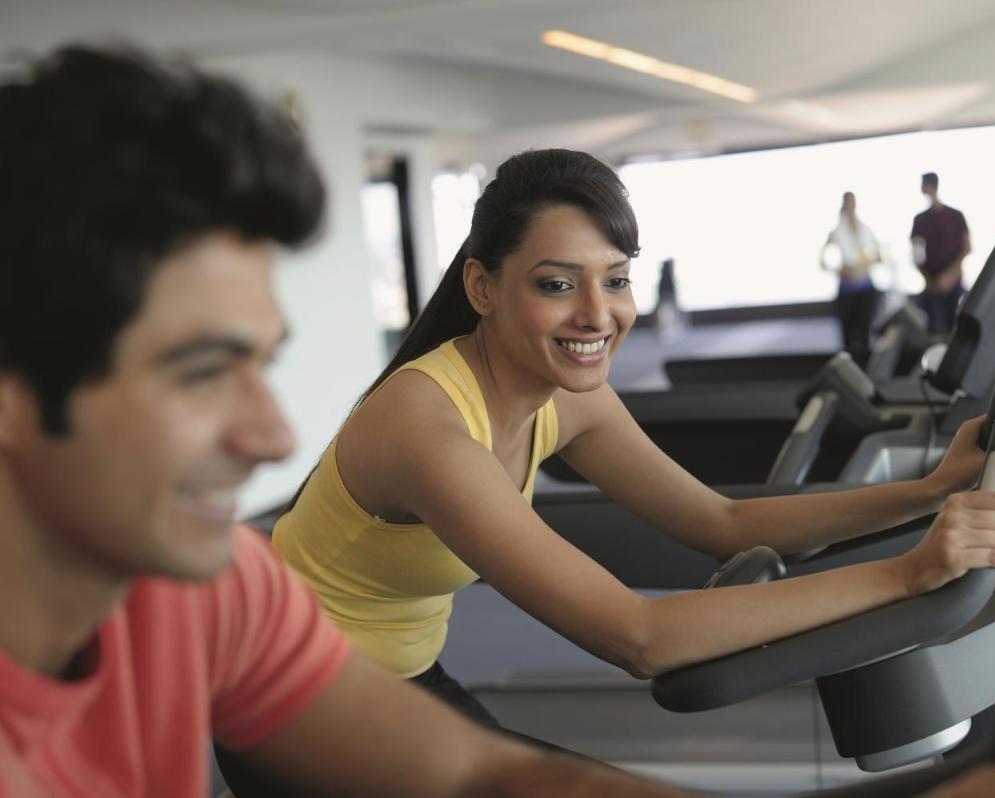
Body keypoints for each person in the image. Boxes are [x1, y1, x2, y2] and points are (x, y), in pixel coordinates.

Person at [0, 44, 697, 798]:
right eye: (201, 373)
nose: (275, 439)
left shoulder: (216, 586)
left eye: (261, 366)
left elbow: (479, 773)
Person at [274, 148, 995, 739]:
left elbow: (720, 524)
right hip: (296, 700)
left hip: (397, 676)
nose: (598, 315)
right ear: (482, 288)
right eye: (556, 285)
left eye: (617, 279)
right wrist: (910, 574)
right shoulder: (425, 427)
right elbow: (641, 637)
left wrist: (932, 489)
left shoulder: (568, 402)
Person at [822, 191, 883, 363]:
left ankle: (865, 370)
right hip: (847, 289)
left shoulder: (865, 229)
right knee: (848, 336)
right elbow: (824, 260)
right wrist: (839, 270)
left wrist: (868, 262)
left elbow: (878, 255)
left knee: (865, 333)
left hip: (865, 287)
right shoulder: (836, 232)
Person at [910, 172, 971, 334]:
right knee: (933, 332)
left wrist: (948, 276)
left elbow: (966, 248)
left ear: (929, 186)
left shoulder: (955, 216)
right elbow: (916, 255)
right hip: (932, 285)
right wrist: (929, 279)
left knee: (957, 330)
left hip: (953, 283)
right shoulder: (920, 220)